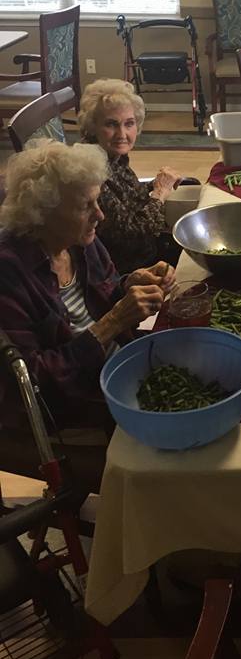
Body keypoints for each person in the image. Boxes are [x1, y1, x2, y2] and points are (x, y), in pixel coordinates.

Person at [0, 141, 175, 488]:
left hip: (113, 368)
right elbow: (32, 383)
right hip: (66, 405)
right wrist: (112, 323)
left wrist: (130, 284)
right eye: (85, 206)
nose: (100, 214)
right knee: (173, 447)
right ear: (42, 213)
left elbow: (103, 295)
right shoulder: (9, 271)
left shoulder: (81, 240)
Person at [78, 78, 183, 274]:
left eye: (129, 123)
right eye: (111, 124)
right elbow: (135, 233)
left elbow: (127, 198)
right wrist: (159, 193)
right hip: (130, 270)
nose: (122, 134)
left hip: (148, 251)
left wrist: (155, 184)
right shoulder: (91, 172)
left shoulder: (113, 156)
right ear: (93, 126)